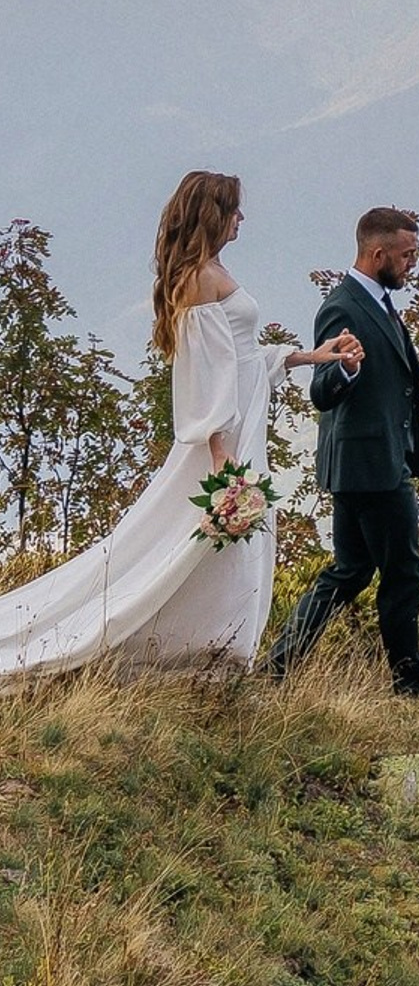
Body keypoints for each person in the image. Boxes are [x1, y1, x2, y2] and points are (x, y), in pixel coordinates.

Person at [0, 170, 362, 680]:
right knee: (194, 546)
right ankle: (194, 654)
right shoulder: (200, 278)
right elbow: (205, 370)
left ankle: (211, 654)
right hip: (224, 434)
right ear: (214, 213)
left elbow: (240, 358)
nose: (242, 219)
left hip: (238, 425)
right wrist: (220, 455)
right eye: (235, 209)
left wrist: (309, 356)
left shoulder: (211, 270)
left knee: (222, 548)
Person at [259, 206, 419, 696]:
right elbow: (322, 390)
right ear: (377, 253)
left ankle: (276, 669)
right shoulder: (343, 306)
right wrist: (347, 369)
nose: (411, 265)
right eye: (406, 256)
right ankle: (411, 684)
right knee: (403, 572)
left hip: (375, 461)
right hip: (370, 466)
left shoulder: (378, 300)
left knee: (350, 570)